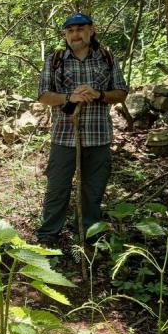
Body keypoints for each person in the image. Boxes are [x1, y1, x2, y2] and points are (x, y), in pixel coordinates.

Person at [35, 13, 128, 246]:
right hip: (63, 136)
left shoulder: (106, 58)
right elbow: (43, 95)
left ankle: (90, 236)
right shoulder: (55, 59)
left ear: (91, 30)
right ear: (65, 35)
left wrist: (99, 94)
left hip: (98, 136)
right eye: (70, 31)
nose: (75, 35)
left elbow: (121, 92)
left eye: (80, 29)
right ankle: (48, 237)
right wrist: (70, 96)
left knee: (93, 191)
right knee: (57, 189)